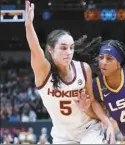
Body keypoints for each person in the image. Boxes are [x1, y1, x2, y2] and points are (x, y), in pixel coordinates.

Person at [24, 1, 115, 144]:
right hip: (63, 136)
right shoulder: (43, 72)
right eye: (63, 48)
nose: (69, 52)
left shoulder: (83, 69)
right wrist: (28, 26)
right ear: (50, 49)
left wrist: (107, 122)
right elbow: (35, 48)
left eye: (71, 48)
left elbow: (93, 102)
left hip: (89, 129)